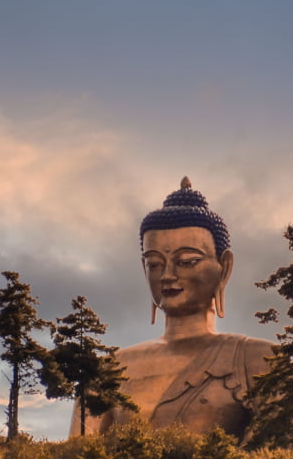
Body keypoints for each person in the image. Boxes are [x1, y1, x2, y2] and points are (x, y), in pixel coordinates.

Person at [72, 177, 273, 441]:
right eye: (154, 264)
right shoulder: (108, 369)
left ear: (224, 267)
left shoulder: (257, 359)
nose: (167, 275)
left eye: (187, 261)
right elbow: (77, 458)